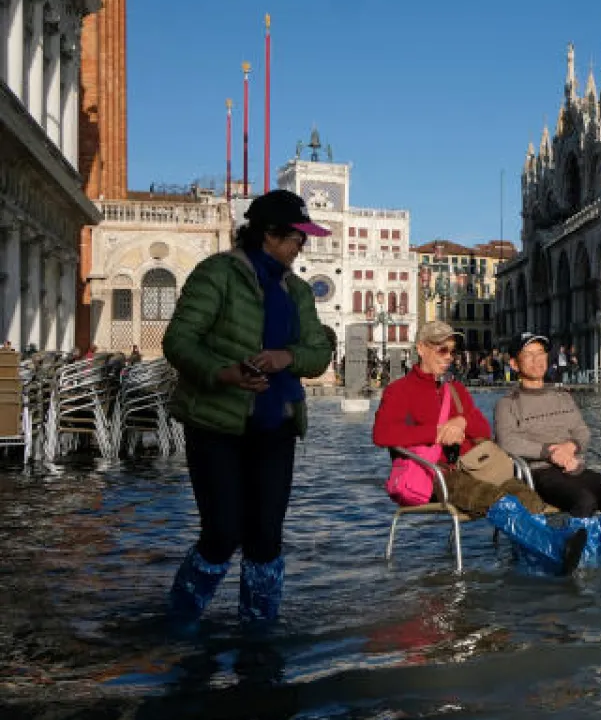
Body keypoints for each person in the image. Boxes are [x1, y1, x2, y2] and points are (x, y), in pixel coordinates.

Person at [161, 189, 335, 627]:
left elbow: (318, 351)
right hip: (216, 423)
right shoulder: (216, 274)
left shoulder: (297, 291)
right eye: (298, 237)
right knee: (221, 533)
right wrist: (225, 374)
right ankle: (179, 620)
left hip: (275, 422)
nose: (302, 246)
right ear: (269, 234)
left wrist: (286, 357)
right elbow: (179, 341)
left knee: (266, 538)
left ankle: (259, 632)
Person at [372, 320, 546, 517]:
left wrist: (461, 421)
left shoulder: (456, 389)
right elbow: (382, 434)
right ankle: (554, 545)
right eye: (442, 350)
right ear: (421, 349)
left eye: (452, 351)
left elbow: (483, 431)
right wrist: (437, 432)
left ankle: (552, 544)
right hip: (435, 475)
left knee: (528, 498)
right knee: (500, 500)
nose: (449, 357)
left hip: (474, 467)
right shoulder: (399, 390)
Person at [496, 332, 601, 519]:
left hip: (573, 465)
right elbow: (507, 442)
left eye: (541, 353)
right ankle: (572, 546)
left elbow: (582, 432)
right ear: (514, 363)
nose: (537, 360)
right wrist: (549, 452)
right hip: (537, 472)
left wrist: (571, 446)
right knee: (584, 501)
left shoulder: (563, 397)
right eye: (529, 354)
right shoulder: (508, 403)